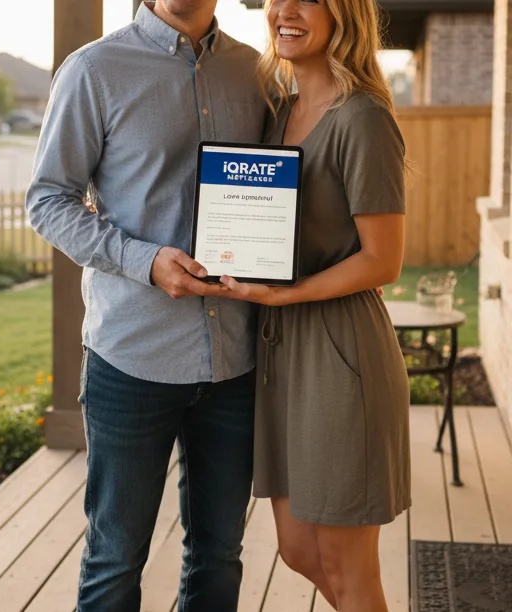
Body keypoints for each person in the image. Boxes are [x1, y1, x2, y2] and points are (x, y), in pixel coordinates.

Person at [26, 1, 265, 610]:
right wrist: (144, 261)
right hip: (131, 359)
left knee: (219, 555)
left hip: (234, 363)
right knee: (115, 560)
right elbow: (48, 201)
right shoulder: (94, 69)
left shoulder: (257, 73)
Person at [217, 1, 411, 611]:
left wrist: (287, 293)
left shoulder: (362, 118)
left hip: (340, 351)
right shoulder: (277, 112)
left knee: (349, 569)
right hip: (279, 352)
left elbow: (384, 261)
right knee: (299, 549)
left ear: (342, 14)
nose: (285, 9)